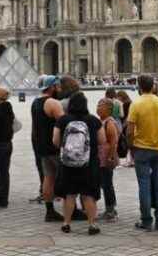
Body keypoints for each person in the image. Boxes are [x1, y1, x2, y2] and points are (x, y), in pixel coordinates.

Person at [126, 74, 158, 231]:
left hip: (142, 149)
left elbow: (130, 131)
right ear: (153, 86)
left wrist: (131, 147)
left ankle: (146, 220)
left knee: (144, 185)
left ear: (139, 86)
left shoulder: (136, 104)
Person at [52, 92, 101, 235]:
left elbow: (55, 141)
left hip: (68, 163)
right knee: (88, 195)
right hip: (89, 163)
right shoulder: (93, 120)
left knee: (70, 195)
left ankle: (66, 223)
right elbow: (102, 140)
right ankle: (92, 225)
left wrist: (68, 149)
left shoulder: (62, 120)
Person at [31, 75, 65, 222]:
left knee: (48, 178)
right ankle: (72, 209)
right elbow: (65, 123)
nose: (59, 89)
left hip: (42, 147)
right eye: (57, 86)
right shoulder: (53, 102)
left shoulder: (36, 102)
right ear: (52, 87)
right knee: (66, 177)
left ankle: (49, 211)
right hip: (55, 147)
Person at [96, 98, 120, 222]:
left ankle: (110, 211)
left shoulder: (109, 122)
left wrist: (110, 157)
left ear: (109, 109)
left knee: (107, 184)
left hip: (106, 159)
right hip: (101, 158)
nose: (98, 107)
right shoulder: (102, 121)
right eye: (98, 105)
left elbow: (114, 142)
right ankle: (110, 208)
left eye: (101, 105)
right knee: (105, 184)